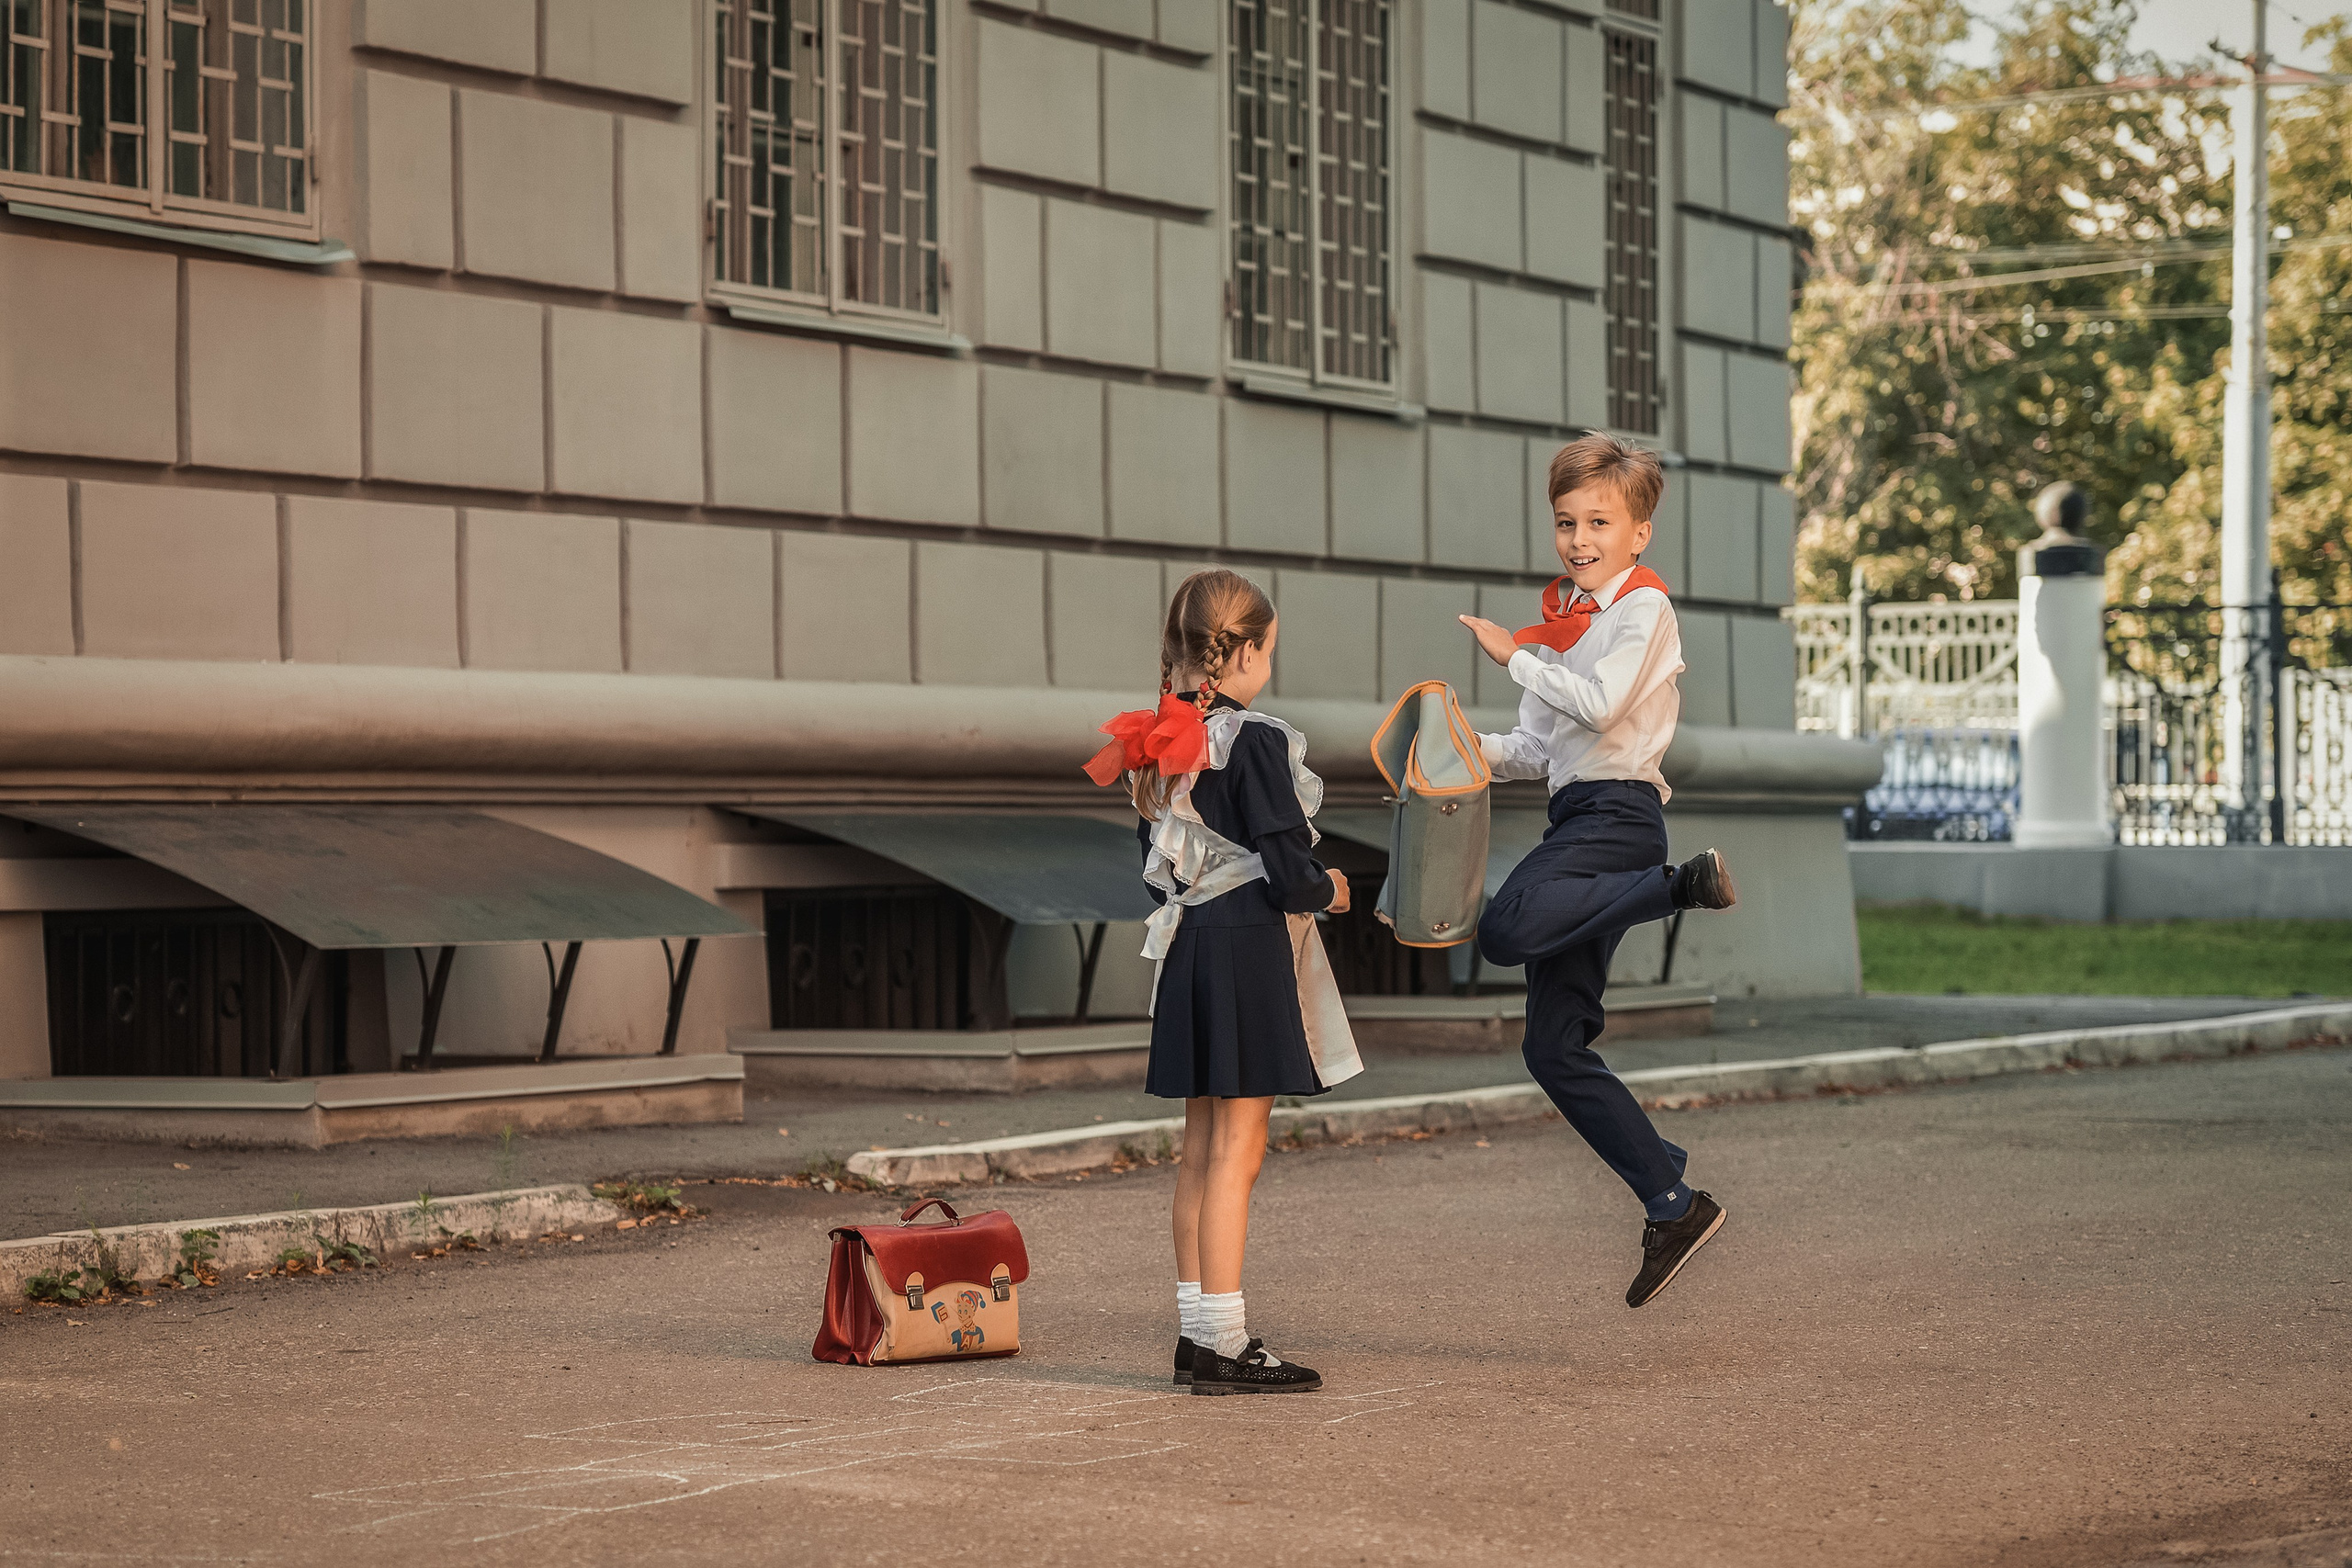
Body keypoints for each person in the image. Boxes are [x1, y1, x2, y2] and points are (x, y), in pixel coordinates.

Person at [1454, 434, 1738, 1309]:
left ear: (1640, 532)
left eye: (1600, 522)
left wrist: (1515, 657)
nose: (1580, 538)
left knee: (1501, 928)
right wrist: (1458, 748)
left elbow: (1605, 705)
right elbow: (1538, 748)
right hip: (1577, 815)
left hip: (1619, 825)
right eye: (1567, 522)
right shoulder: (1567, 624)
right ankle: (1672, 1201)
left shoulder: (1641, 612)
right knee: (1552, 1047)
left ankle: (1677, 888)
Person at [1081, 568, 1354, 1395]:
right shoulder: (1257, 739)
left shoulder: (1157, 745)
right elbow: (1288, 867)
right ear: (1253, 649)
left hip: (1191, 944)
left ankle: (1199, 1333)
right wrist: (1331, 889)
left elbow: (1154, 874)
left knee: (1199, 1153)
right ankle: (1226, 1342)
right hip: (1245, 949)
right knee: (1239, 1151)